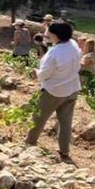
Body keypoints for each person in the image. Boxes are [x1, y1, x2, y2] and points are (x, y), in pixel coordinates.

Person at [25, 21, 81, 161]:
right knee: (65, 123)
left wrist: (35, 72)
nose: (47, 34)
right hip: (72, 88)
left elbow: (44, 74)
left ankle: (30, 143)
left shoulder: (54, 53)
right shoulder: (73, 45)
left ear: (56, 35)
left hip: (54, 91)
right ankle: (64, 151)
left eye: (49, 32)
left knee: (39, 118)